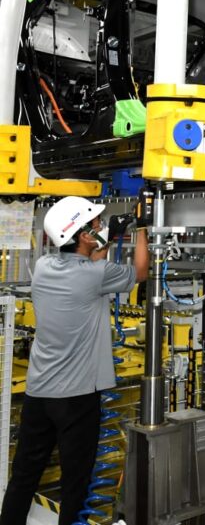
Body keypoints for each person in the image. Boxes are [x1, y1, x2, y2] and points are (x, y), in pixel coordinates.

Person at [0, 197, 149, 525]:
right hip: (77, 398)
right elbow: (140, 272)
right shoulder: (95, 275)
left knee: (24, 476)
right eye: (94, 225)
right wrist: (141, 229)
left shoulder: (43, 266)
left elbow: (90, 260)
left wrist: (108, 236)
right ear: (81, 236)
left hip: (39, 394)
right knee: (75, 485)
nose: (99, 227)